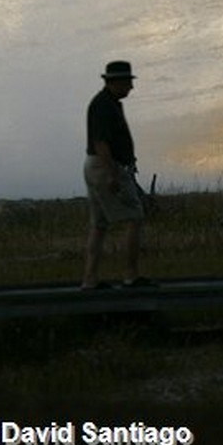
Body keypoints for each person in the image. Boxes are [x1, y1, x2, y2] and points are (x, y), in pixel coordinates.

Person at [81, 59, 154, 290]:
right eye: (128, 82)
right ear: (117, 82)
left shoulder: (108, 102)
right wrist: (113, 175)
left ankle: (90, 280)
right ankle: (131, 277)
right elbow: (101, 142)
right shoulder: (104, 105)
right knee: (134, 217)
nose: (131, 87)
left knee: (99, 225)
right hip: (105, 166)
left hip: (96, 166)